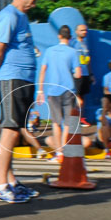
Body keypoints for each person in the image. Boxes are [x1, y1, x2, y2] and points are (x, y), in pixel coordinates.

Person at [0, 0, 45, 203]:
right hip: (12, 79)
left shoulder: (21, 17)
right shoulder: (9, 16)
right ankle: (0, 185)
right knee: (10, 130)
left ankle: (10, 181)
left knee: (14, 130)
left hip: (22, 80)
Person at [37, 25, 82, 158]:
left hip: (52, 90)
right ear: (70, 37)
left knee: (56, 123)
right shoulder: (74, 52)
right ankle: (66, 151)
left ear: (59, 36)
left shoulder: (49, 51)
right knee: (67, 123)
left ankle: (59, 153)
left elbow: (43, 70)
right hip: (69, 90)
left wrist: (40, 91)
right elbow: (78, 74)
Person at [71, 23, 93, 123]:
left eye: (85, 30)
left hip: (85, 74)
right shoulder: (73, 43)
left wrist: (90, 74)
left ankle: (81, 118)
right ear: (76, 31)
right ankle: (74, 119)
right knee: (76, 97)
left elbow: (88, 60)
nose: (84, 32)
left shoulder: (85, 44)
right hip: (77, 74)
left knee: (82, 97)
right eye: (82, 30)